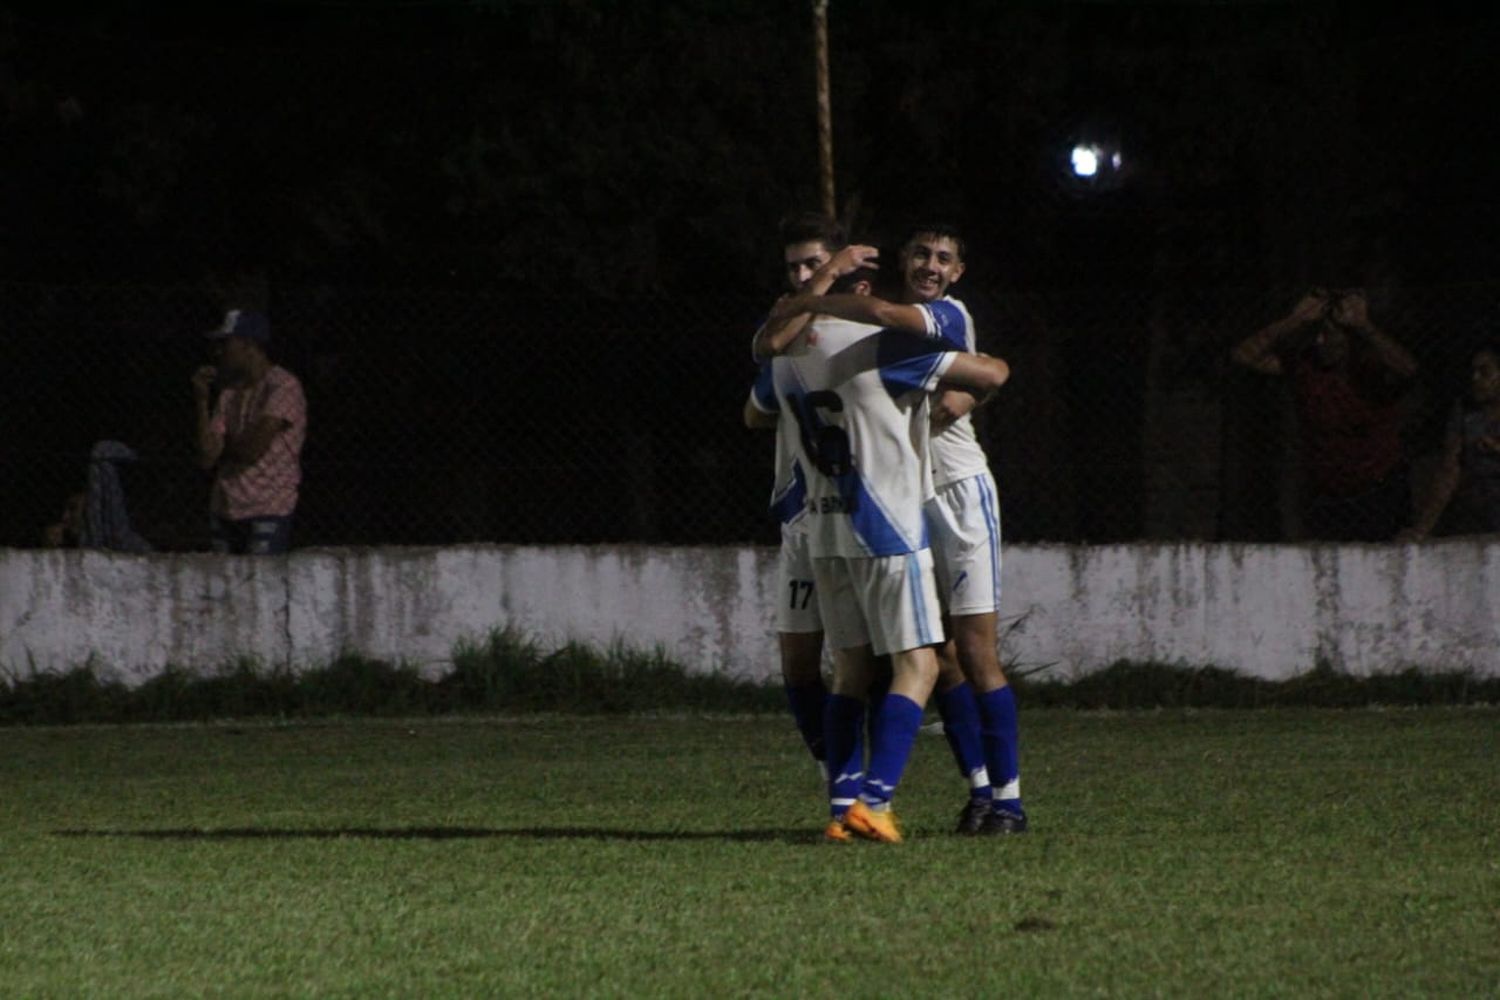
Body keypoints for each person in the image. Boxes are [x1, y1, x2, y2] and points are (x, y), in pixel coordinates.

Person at [770, 223, 1027, 836]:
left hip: (954, 491)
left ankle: (1006, 801)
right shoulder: (870, 336)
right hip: (903, 499)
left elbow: (981, 375)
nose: (930, 265)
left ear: (959, 272)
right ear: (900, 260)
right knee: (935, 657)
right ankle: (976, 792)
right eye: (920, 253)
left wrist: (813, 298)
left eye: (944, 257)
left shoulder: (941, 317)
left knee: (972, 651)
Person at [1231, 288, 1418, 541]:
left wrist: (1364, 326)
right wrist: (1293, 321)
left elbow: (1408, 369)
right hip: (1328, 491)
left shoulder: (1368, 367)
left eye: (1329, 335)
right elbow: (1244, 356)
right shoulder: (1306, 367)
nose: (1321, 342)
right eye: (1317, 334)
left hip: (1378, 486)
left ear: (1347, 340)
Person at [192, 309, 306, 555]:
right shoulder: (229, 393)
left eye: (226, 343)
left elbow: (252, 450)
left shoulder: (283, 386)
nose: (219, 352)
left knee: (260, 584)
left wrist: (227, 446)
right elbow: (207, 456)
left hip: (268, 506)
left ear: (248, 345)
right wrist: (202, 399)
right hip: (225, 507)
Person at [1400, 340, 1500, 539]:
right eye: (1473, 372)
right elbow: (1449, 471)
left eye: (1485, 372)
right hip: (1481, 509)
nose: (1475, 379)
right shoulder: (1467, 414)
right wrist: (1423, 528)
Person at [41, 440, 154, 552]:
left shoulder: (117, 534)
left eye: (73, 508)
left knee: (101, 452)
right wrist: (50, 546)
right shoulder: (84, 542)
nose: (65, 517)